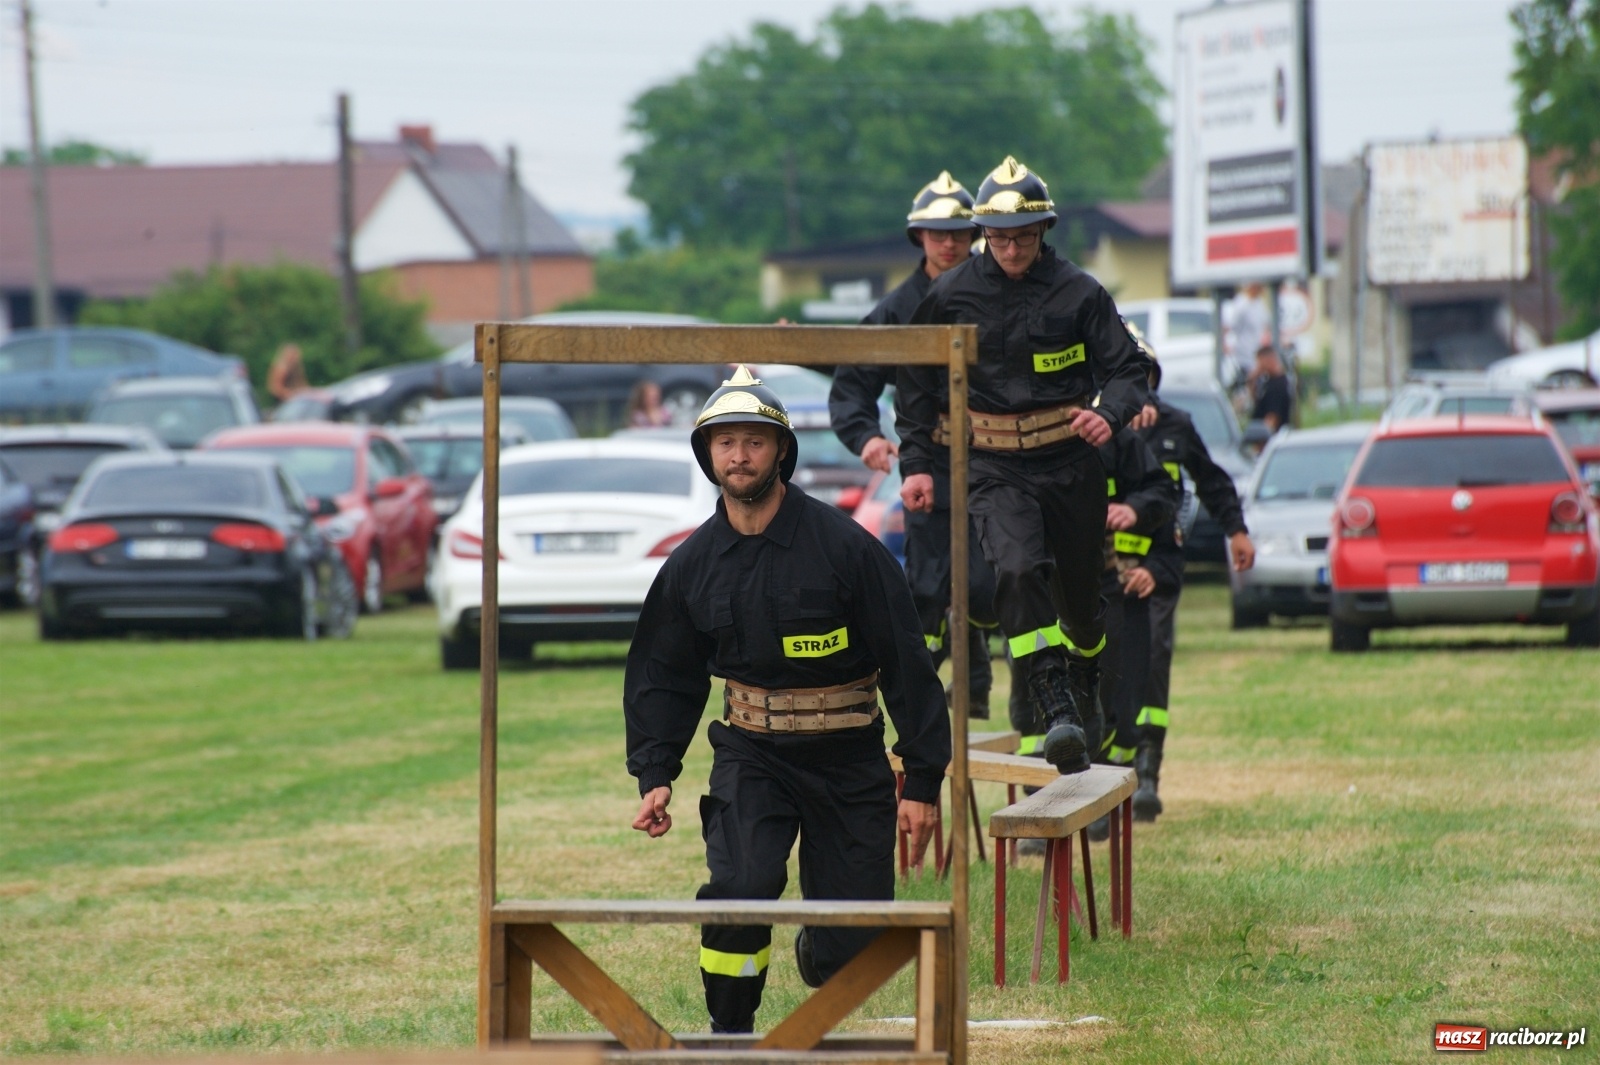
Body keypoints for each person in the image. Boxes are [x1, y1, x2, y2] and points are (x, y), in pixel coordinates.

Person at [624, 366, 950, 1035]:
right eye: (725, 442)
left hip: (850, 758)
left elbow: (907, 663)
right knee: (739, 889)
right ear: (707, 454)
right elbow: (665, 671)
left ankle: (818, 948)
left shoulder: (846, 549)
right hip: (752, 755)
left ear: (781, 451)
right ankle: (730, 1032)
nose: (739, 455)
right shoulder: (691, 565)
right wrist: (654, 771)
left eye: (753, 441)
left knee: (852, 944)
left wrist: (921, 777)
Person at [896, 156, 1151, 777]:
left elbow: (1130, 369)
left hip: (1068, 464)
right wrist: (918, 464)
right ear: (984, 233)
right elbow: (914, 383)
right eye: (1000, 237)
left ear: (1044, 233)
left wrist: (1109, 415)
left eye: (1023, 237)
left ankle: (1084, 680)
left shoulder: (1081, 292)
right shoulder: (950, 295)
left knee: (1082, 603)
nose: (1011, 249)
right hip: (992, 468)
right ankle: (1053, 701)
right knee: (1015, 570)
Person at [828, 170, 998, 716]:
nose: (948, 243)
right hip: (931, 464)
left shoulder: (1001, 292)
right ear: (918, 237)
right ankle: (916, 702)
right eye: (935, 232)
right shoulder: (897, 309)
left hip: (1004, 461)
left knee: (994, 581)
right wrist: (868, 440)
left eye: (957, 233)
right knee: (925, 585)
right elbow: (852, 382)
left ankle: (976, 673)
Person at [1130, 347, 1256, 822]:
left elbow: (1211, 480)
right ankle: (1103, 774)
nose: (1137, 386)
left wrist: (1236, 530)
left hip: (1158, 565)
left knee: (1154, 658)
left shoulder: (1176, 426)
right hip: (1103, 570)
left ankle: (1147, 772)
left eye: (1143, 375)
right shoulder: (1098, 428)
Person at [1223, 283, 1270, 387]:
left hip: (1257, 351)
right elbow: (1229, 326)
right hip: (1243, 353)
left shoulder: (1259, 303)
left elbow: (1266, 324)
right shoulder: (1241, 303)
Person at [1249, 344, 1293, 432]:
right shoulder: (1268, 381)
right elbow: (1257, 404)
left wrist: (1263, 435)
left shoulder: (1278, 384)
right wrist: (1252, 381)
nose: (1258, 366)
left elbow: (1272, 417)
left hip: (1271, 437)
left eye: (1259, 361)